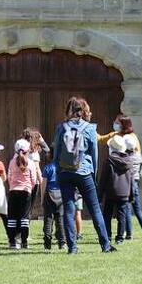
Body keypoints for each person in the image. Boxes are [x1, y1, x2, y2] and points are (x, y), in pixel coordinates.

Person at [52, 96, 115, 253]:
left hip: (65, 172)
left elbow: (56, 152)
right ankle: (105, 245)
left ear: (69, 110)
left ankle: (72, 247)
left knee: (69, 208)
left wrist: (59, 170)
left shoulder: (61, 127)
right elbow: (94, 154)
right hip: (84, 171)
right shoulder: (90, 128)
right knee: (94, 209)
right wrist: (93, 172)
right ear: (84, 111)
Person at [120, 119, 142, 239]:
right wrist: (137, 178)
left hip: (126, 185)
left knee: (127, 209)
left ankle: (129, 234)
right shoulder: (138, 157)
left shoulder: (123, 158)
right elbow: (141, 169)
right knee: (138, 210)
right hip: (135, 183)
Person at [99, 134, 135, 245]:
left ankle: (108, 236)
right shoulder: (129, 161)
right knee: (122, 215)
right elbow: (131, 179)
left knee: (107, 215)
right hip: (124, 192)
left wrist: (100, 194)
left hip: (111, 192)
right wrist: (131, 195)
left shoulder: (109, 161)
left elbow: (103, 178)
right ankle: (120, 237)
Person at [6, 138, 40, 249]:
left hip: (13, 191)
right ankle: (24, 242)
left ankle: (12, 242)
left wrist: (13, 186)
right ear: (27, 151)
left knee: (12, 218)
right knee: (24, 218)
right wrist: (30, 187)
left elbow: (9, 177)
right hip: (26, 192)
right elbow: (34, 180)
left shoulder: (12, 162)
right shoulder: (30, 163)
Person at [40, 147, 65, 250]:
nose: (47, 154)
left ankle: (47, 243)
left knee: (48, 219)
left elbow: (43, 185)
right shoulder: (63, 167)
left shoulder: (47, 168)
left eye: (48, 152)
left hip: (50, 194)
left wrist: (42, 198)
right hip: (61, 194)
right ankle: (62, 242)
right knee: (60, 219)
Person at [23, 127, 48, 221]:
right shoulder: (34, 153)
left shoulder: (22, 151)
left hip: (23, 181)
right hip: (33, 182)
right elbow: (37, 168)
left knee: (24, 206)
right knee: (29, 208)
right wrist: (42, 181)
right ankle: (25, 231)